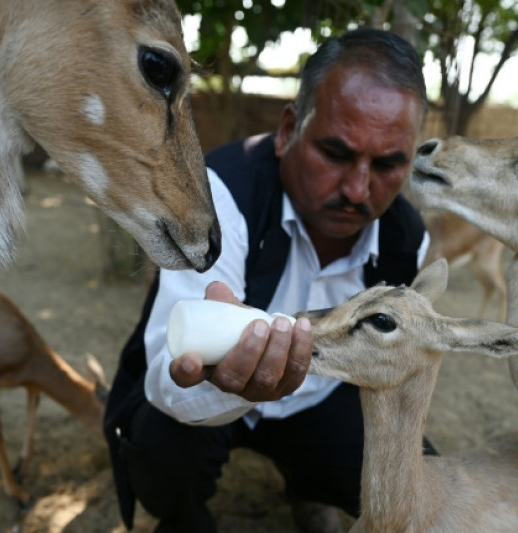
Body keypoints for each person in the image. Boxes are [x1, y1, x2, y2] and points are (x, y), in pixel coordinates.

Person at [104, 28, 434, 533]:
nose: (358, 189)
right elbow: (170, 379)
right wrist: (237, 385)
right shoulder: (220, 195)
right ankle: (184, 517)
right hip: (214, 409)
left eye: (389, 164)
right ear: (287, 131)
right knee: (161, 450)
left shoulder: (408, 241)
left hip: (322, 400)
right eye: (337, 153)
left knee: (417, 480)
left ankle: (309, 484)